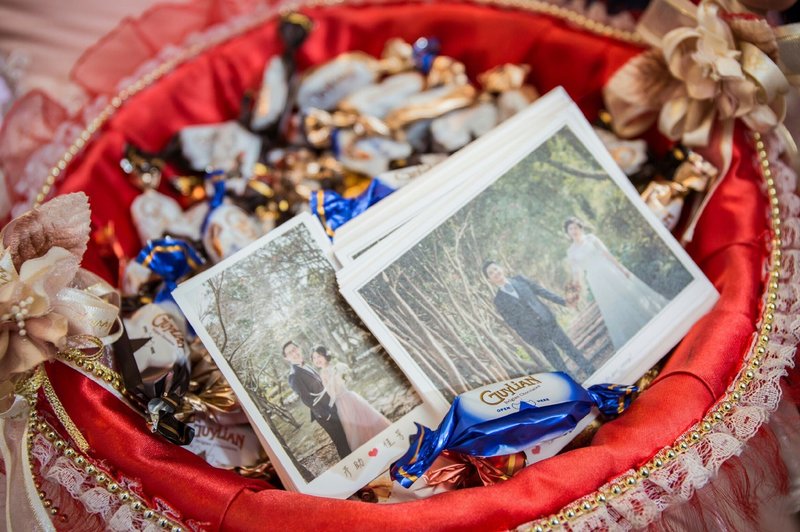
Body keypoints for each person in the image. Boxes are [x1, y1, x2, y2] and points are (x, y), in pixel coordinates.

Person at [564, 217, 668, 350]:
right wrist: (575, 289)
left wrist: (622, 269)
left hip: (608, 270)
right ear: (567, 232)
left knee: (628, 293)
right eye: (570, 229)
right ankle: (633, 331)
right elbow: (576, 272)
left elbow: (607, 254)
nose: (574, 231)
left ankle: (649, 318)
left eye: (576, 227)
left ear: (580, 228)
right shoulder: (571, 252)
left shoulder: (591, 239)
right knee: (613, 305)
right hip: (596, 279)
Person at [483, 260, 592, 375]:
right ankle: (575, 383)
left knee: (570, 348)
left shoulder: (520, 280)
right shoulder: (499, 301)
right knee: (556, 361)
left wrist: (564, 302)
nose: (495, 272)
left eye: (495, 269)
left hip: (548, 320)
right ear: (490, 280)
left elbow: (542, 291)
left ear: (501, 268)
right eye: (491, 273)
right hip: (535, 334)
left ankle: (589, 369)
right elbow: (513, 323)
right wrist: (529, 338)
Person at [311, 346, 391, 451]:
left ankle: (380, 440)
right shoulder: (323, 373)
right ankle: (369, 447)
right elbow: (331, 392)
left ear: (325, 355)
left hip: (348, 397)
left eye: (319, 356)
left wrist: (339, 379)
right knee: (354, 426)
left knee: (363, 418)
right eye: (314, 358)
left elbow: (343, 382)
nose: (317, 360)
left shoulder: (335, 367)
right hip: (340, 401)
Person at [282, 340, 351, 460]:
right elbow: (307, 400)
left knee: (348, 436)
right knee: (342, 443)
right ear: (286, 358)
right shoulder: (294, 375)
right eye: (290, 353)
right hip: (325, 414)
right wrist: (327, 415)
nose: (294, 353)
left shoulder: (306, 365)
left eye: (294, 349)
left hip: (332, 406)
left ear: (299, 348)